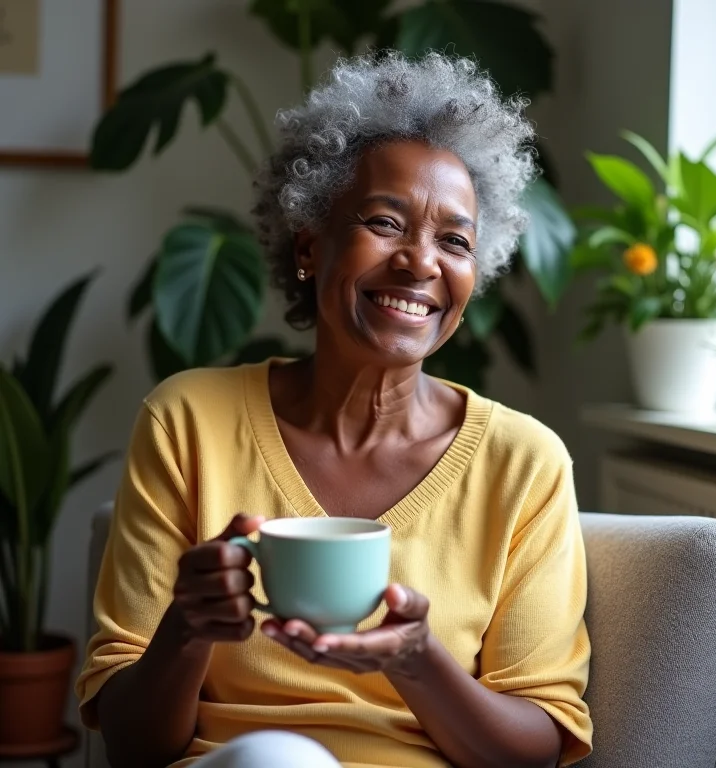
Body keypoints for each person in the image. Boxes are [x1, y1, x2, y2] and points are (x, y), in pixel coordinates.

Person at [76, 52, 593, 768]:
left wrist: (416, 662)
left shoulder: (524, 462)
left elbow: (533, 748)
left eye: (455, 241)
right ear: (311, 245)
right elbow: (133, 747)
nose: (420, 263)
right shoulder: (188, 421)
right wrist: (187, 629)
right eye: (386, 222)